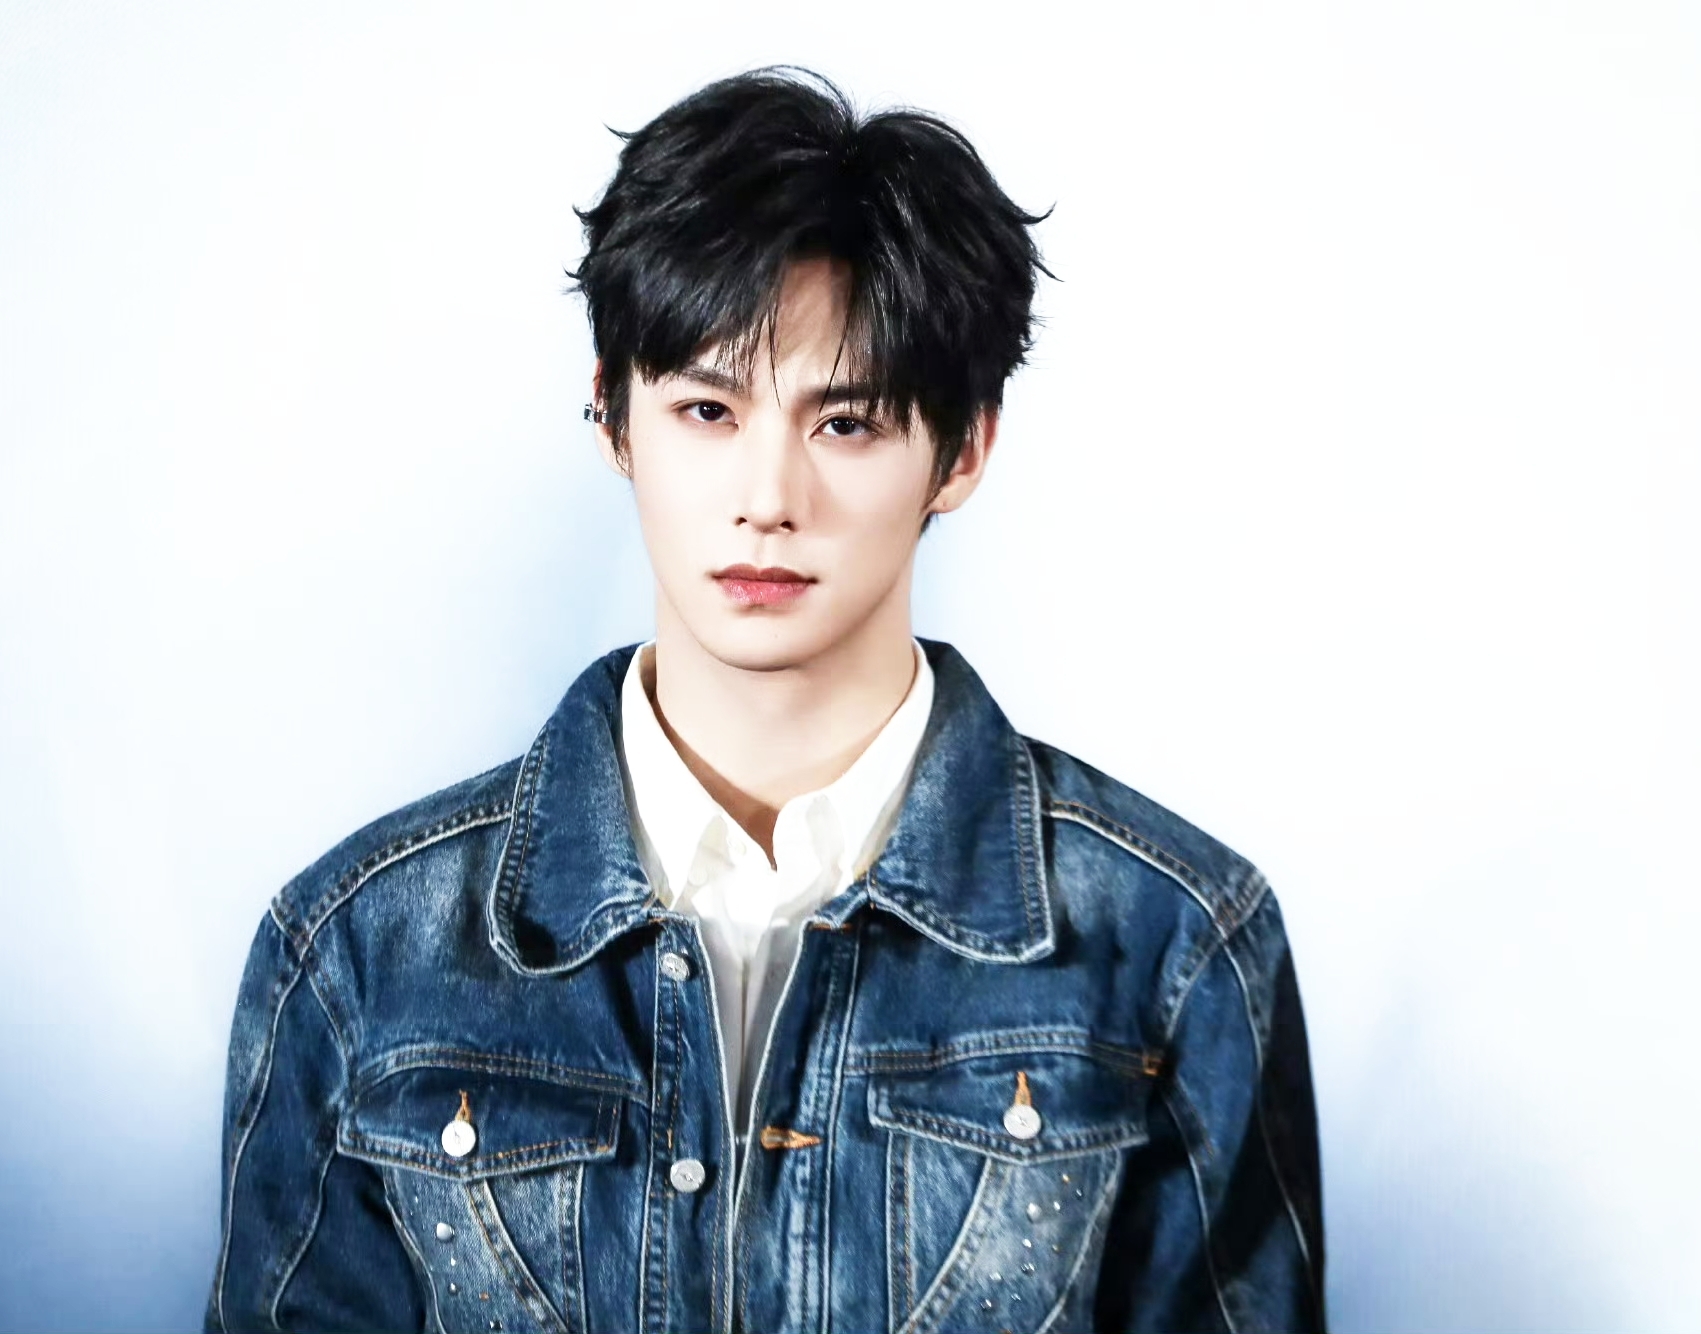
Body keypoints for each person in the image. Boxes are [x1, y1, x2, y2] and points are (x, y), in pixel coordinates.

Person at [205, 67, 1325, 1333]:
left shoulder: (1173, 938)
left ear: (963, 447)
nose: (766, 498)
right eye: (706, 409)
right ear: (613, 418)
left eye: (845, 423)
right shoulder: (360, 949)